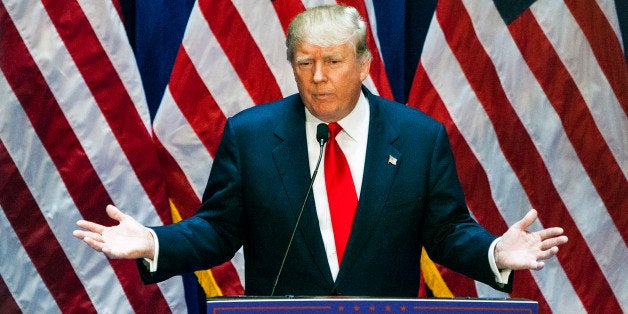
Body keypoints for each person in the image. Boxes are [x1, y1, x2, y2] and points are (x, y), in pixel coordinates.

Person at [73, 5, 567, 297]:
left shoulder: (419, 137)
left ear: (365, 64)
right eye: (305, 62)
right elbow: (218, 231)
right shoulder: (251, 135)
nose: (318, 76)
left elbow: (446, 232)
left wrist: (494, 252)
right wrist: (154, 243)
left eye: (333, 61)